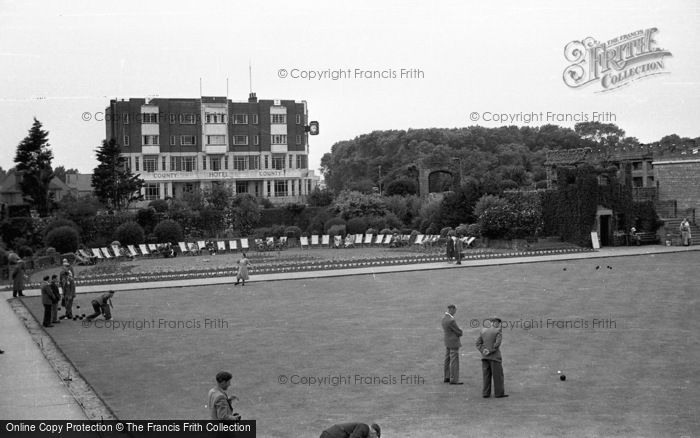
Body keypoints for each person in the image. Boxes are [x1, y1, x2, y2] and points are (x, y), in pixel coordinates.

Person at [476, 316, 508, 398]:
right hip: (494, 357)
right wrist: (490, 350)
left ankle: (486, 393)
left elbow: (478, 343)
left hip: (484, 357)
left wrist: (484, 351)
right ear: (496, 322)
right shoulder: (498, 331)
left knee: (486, 376)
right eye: (498, 323)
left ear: (490, 322)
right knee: (498, 376)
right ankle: (499, 393)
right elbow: (497, 344)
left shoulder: (483, 330)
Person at [442, 304, 464, 385]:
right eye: (455, 310)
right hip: (453, 342)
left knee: (447, 359)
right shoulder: (451, 320)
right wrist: (461, 332)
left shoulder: (444, 318)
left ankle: (447, 376)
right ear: (452, 309)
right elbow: (458, 331)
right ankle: (454, 379)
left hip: (447, 341)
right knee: (454, 360)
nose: (455, 312)